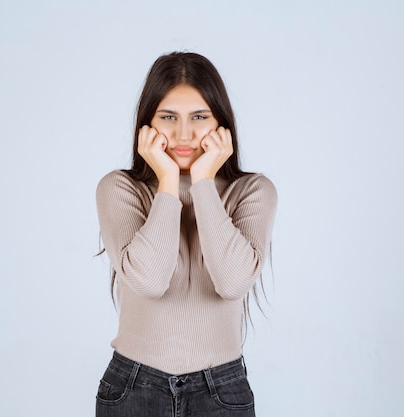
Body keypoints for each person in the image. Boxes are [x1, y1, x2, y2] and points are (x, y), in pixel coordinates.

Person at [95, 51, 278, 417]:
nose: (183, 134)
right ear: (147, 124)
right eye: (168, 117)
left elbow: (232, 282)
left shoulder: (252, 191)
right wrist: (165, 179)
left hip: (221, 389)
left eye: (199, 117)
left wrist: (203, 182)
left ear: (221, 124)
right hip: (133, 386)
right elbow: (148, 281)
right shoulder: (120, 189)